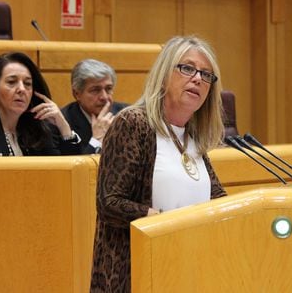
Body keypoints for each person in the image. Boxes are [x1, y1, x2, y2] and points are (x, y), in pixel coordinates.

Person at [90, 36, 227, 292]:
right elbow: (110, 203)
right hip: (138, 274)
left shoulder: (192, 136)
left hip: (189, 271)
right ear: (164, 75)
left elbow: (218, 199)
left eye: (206, 75)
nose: (198, 78)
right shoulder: (133, 124)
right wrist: (166, 223)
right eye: (187, 68)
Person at [0, 52, 80, 156]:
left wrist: (64, 127)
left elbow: (65, 169)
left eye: (27, 84)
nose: (22, 89)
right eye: (11, 82)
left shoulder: (35, 130)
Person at [62, 59, 128, 154]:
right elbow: (76, 166)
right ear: (77, 94)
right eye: (95, 90)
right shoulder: (64, 122)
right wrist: (96, 140)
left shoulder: (127, 115)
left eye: (108, 89)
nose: (104, 97)